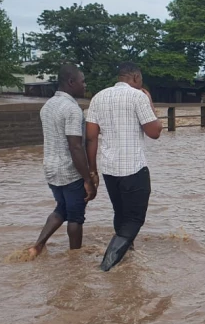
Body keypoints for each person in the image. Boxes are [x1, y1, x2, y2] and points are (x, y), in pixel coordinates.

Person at [86, 62, 163, 272]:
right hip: (133, 169)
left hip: (109, 169)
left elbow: (91, 138)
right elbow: (154, 132)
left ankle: (127, 255)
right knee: (134, 220)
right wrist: (150, 102)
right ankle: (106, 266)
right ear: (136, 78)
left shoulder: (98, 97)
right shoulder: (139, 97)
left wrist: (92, 172)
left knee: (120, 213)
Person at [27, 64, 96, 258]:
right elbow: (75, 146)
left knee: (62, 208)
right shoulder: (72, 109)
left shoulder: (47, 106)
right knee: (76, 217)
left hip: (50, 168)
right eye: (82, 81)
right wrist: (88, 180)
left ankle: (37, 246)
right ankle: (74, 260)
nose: (85, 85)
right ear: (71, 82)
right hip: (69, 170)